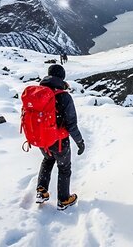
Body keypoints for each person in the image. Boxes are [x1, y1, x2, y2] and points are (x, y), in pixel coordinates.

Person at [36, 64, 85, 210]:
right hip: (59, 141)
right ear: (62, 78)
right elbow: (72, 125)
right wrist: (80, 142)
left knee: (48, 159)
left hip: (42, 139)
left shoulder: (39, 93)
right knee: (64, 168)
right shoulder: (64, 96)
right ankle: (63, 200)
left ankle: (41, 191)